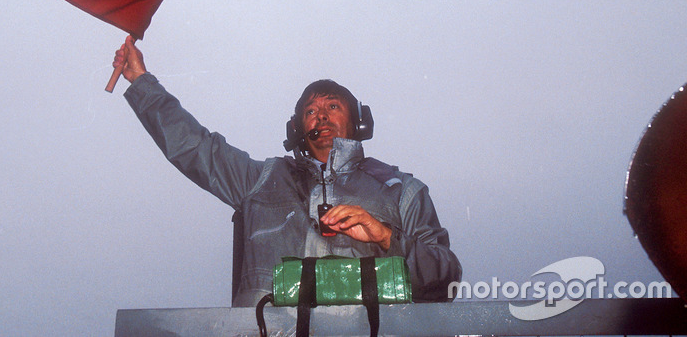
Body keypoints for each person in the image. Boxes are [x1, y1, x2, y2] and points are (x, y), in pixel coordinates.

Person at [113, 36, 462, 306]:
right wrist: (141, 80)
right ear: (297, 128)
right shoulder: (260, 180)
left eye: (333, 106)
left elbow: (446, 276)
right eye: (310, 111)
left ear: (358, 122)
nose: (321, 115)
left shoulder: (403, 191)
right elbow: (195, 146)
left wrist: (387, 237)